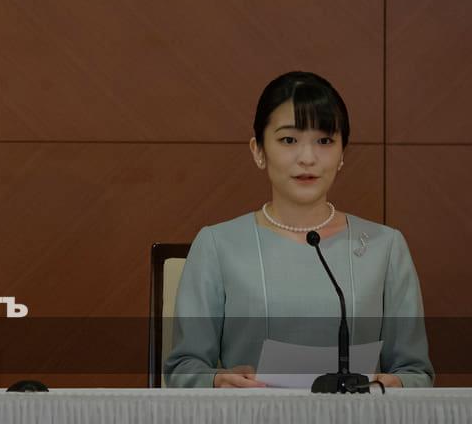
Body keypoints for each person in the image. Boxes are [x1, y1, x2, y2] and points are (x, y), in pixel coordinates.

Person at [163, 71, 433, 388]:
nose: (307, 158)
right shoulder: (217, 245)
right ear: (258, 150)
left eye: (324, 141)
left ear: (343, 153)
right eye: (289, 140)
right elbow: (184, 367)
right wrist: (217, 381)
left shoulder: (385, 247)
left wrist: (392, 386)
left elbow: (415, 372)